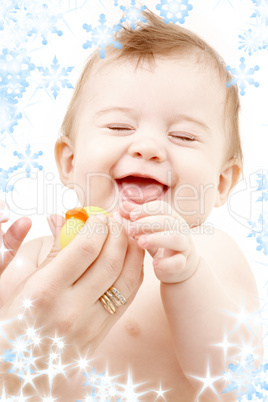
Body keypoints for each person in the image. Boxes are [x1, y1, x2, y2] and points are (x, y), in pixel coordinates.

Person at [0, 10, 262, 401]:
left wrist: (187, 276)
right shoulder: (38, 257)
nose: (148, 147)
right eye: (119, 127)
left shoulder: (210, 251)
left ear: (222, 182)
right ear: (70, 162)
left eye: (184, 136)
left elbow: (241, 382)